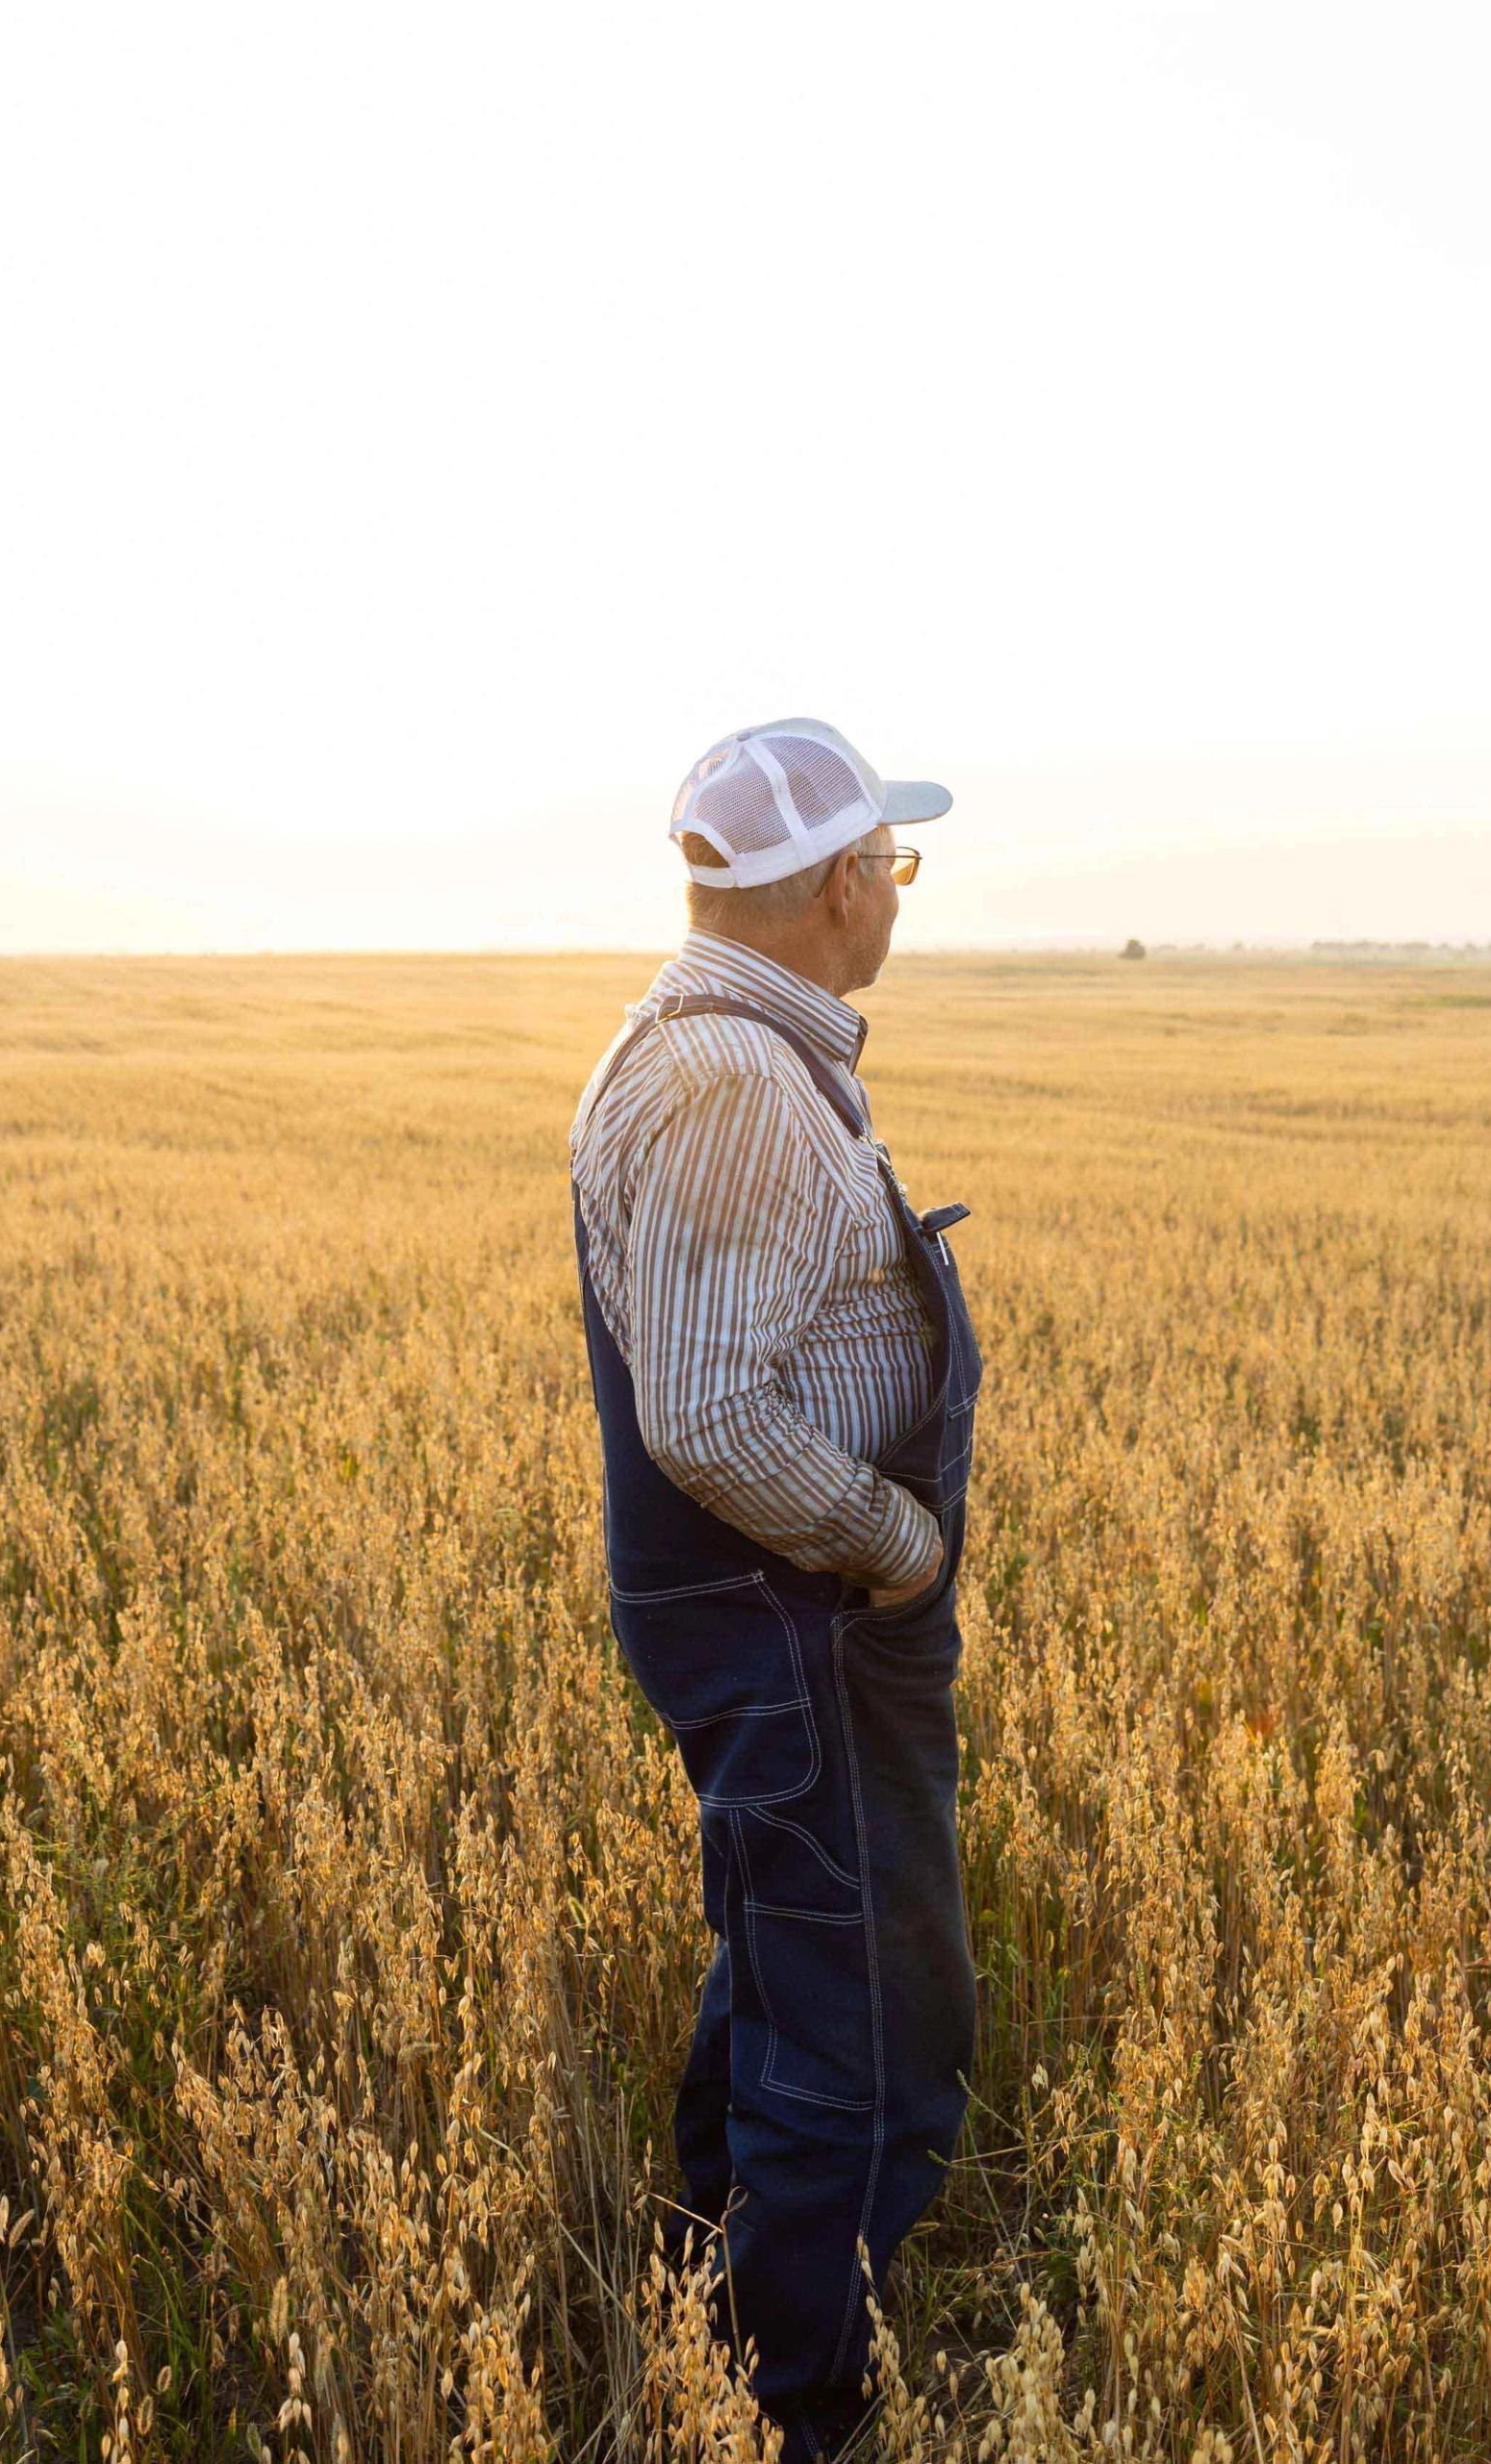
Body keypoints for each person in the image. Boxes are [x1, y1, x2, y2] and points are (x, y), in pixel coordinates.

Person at [566, 718, 983, 2457]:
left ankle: (697, 2304)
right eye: (891, 862)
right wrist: (893, 1546)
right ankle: (782, 2407)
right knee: (861, 2032)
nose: (896, 892)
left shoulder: (707, 1040)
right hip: (794, 1617)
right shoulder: (733, 1083)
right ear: (833, 884)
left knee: (782, 1953)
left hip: (765, 1618)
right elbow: (715, 1412)